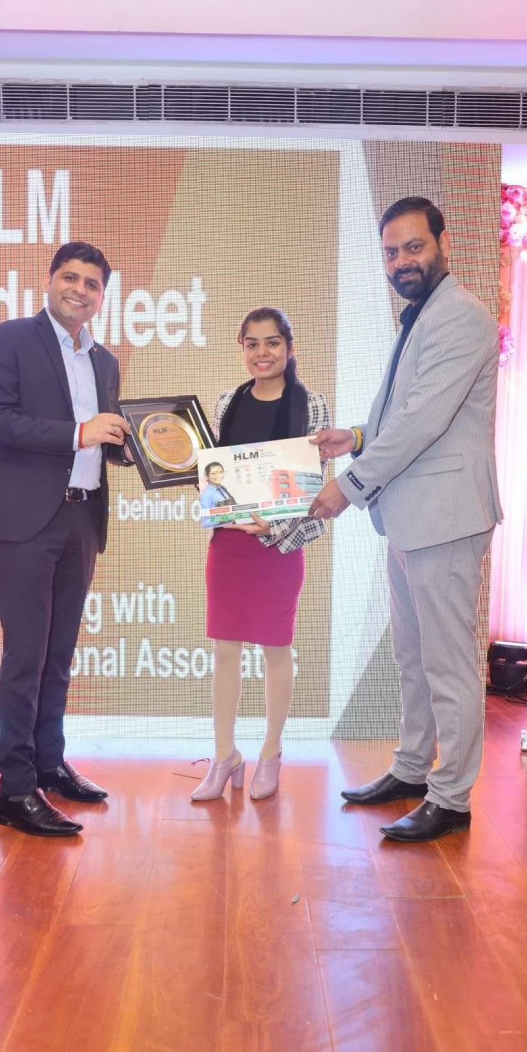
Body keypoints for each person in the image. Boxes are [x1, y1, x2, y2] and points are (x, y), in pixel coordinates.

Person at [308, 197, 503, 843]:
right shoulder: (424, 315)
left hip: (445, 519)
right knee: (414, 657)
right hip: (414, 517)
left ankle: (451, 797)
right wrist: (357, 438)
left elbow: (423, 421)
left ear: (443, 243)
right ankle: (414, 768)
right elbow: (405, 413)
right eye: (391, 252)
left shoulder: (461, 315)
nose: (401, 261)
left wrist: (348, 486)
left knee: (447, 663)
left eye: (413, 247)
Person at [0, 241, 131, 837]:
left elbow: (102, 440)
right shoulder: (9, 338)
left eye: (92, 283)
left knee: (58, 655)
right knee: (26, 656)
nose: (79, 290)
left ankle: (48, 764)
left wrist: (134, 446)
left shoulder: (104, 361)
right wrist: (80, 432)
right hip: (23, 521)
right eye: (70, 277)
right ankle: (14, 789)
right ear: (50, 280)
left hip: (82, 519)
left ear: (102, 297)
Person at [191, 307, 330, 802]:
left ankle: (271, 753)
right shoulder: (227, 402)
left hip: (279, 545)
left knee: (276, 649)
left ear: (289, 348)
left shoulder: (311, 405)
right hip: (230, 543)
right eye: (252, 344)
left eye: (272, 343)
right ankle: (224, 755)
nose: (262, 353)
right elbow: (212, 474)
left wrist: (274, 524)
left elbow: (314, 483)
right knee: (224, 650)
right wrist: (207, 495)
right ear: (242, 348)